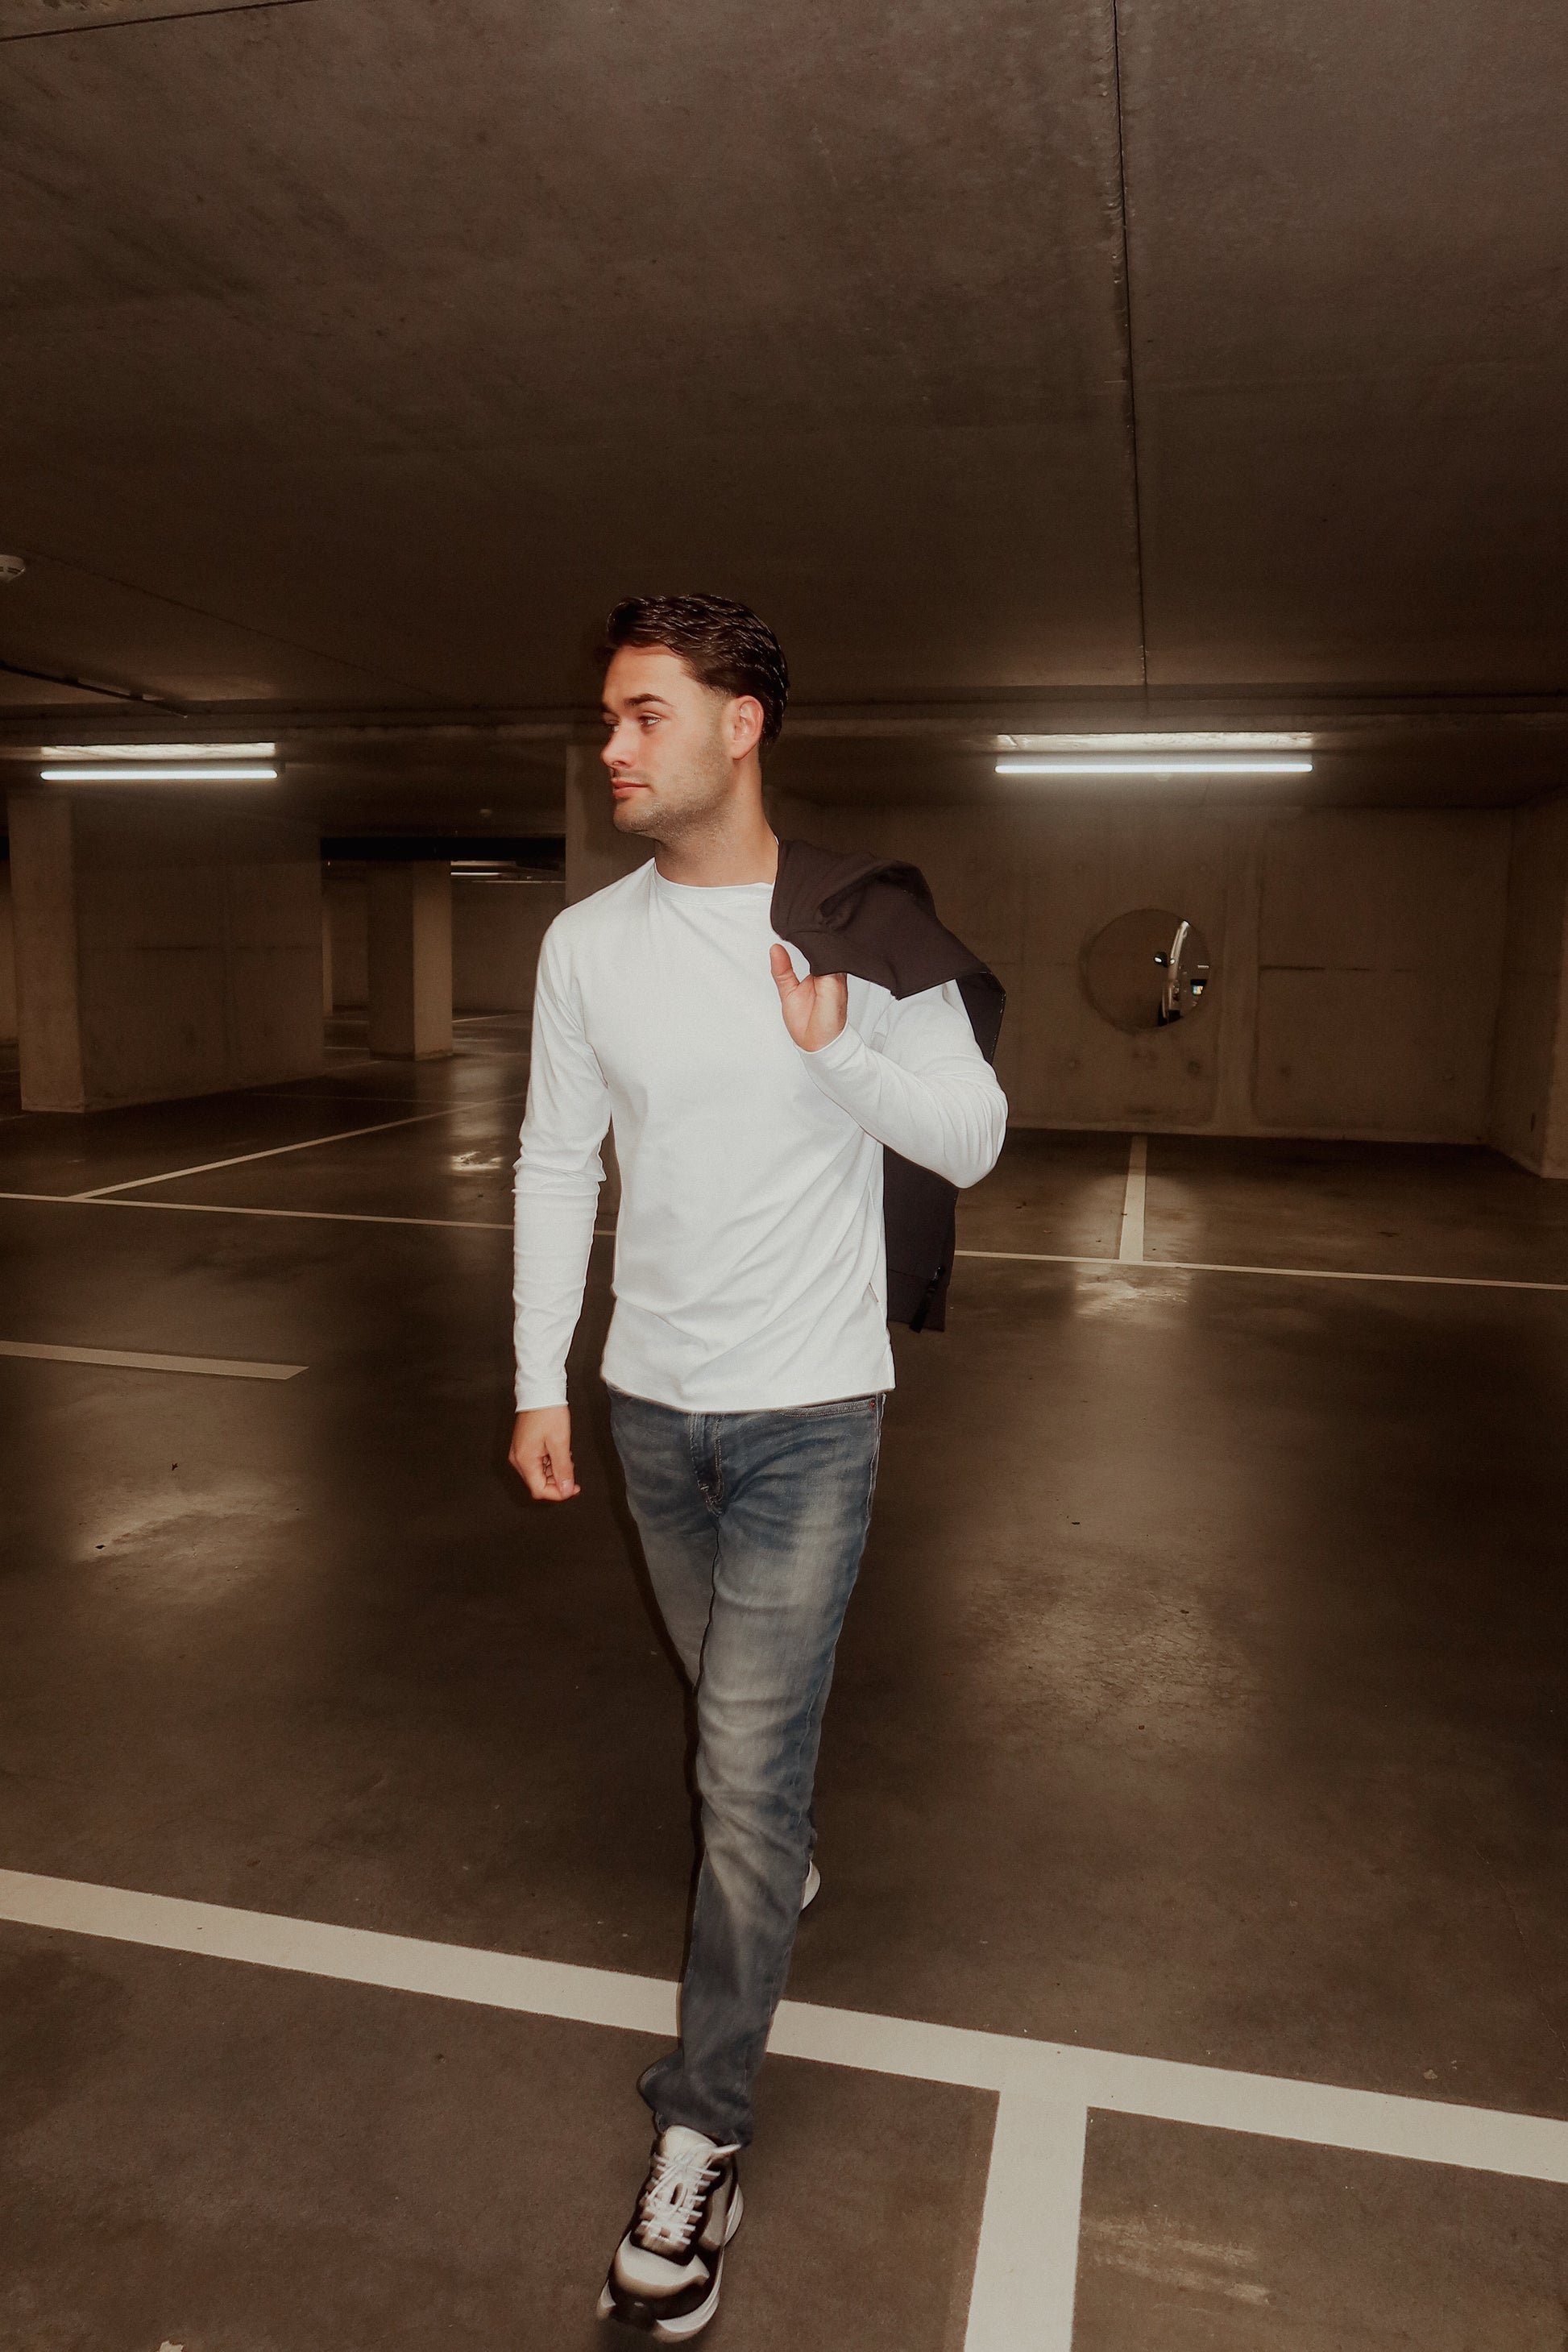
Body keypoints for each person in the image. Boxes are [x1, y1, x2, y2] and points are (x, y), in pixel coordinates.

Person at [508, 593, 1006, 2342]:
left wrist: (840, 1047)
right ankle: (774, 1836)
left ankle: (700, 2132)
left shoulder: (861, 927)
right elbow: (554, 1160)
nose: (613, 746)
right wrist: (539, 1378)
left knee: (737, 1772)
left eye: (645, 713)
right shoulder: (587, 943)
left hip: (809, 1411)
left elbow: (972, 1139)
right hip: (650, 1409)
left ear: (743, 724)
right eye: (608, 716)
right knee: (737, 1734)